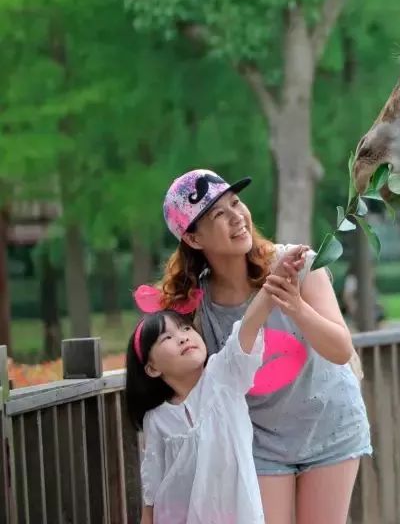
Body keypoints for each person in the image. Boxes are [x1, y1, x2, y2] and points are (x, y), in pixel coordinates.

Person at [153, 169, 371, 524]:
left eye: (235, 203)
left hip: (330, 426)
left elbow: (340, 349)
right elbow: (201, 382)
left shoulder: (298, 264)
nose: (236, 217)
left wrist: (296, 306)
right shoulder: (196, 305)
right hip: (260, 441)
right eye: (218, 215)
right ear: (193, 239)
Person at [126, 247, 305, 524]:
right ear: (151, 368)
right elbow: (153, 488)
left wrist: (274, 282)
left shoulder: (225, 377)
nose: (183, 337)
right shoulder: (157, 419)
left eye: (185, 328)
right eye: (166, 338)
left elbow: (248, 326)